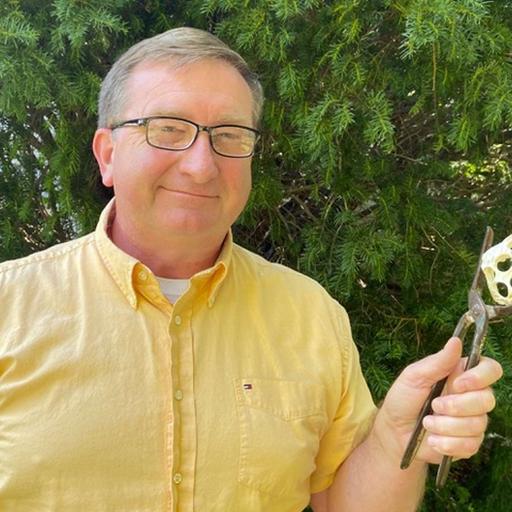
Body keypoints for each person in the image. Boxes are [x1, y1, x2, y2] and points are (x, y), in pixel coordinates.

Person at [0, 27, 502, 512]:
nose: (201, 164)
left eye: (230, 135)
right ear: (107, 156)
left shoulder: (311, 315)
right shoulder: (9, 307)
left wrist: (396, 436)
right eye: (169, 130)